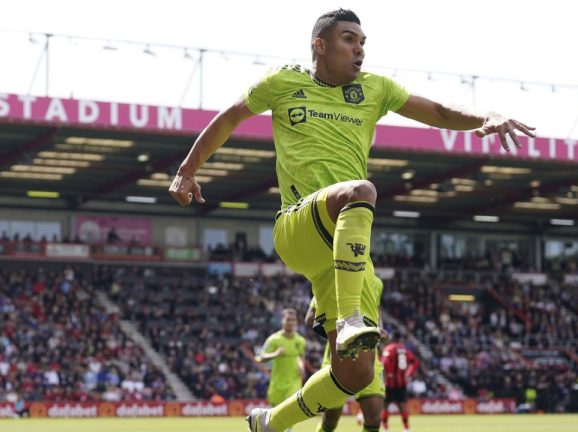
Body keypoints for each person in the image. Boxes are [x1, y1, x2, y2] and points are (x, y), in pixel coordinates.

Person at [169, 8, 534, 432]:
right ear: (319, 45)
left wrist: (482, 118)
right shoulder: (284, 83)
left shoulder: (374, 89)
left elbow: (435, 110)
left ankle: (270, 422)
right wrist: (187, 169)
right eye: (348, 39)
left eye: (363, 42)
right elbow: (230, 116)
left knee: (356, 374)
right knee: (360, 190)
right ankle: (347, 319)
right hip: (298, 224)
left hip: (343, 249)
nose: (359, 49)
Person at [304, 275, 386, 432]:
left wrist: (379, 329)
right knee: (331, 419)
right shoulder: (331, 278)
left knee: (374, 418)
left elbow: (374, 310)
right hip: (338, 355)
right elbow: (310, 318)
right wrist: (337, 327)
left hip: (369, 355)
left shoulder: (377, 282)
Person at [255, 308, 306, 429]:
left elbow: (300, 357)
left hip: (294, 382)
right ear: (282, 321)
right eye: (288, 319)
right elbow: (259, 358)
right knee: (275, 415)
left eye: (293, 320)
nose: (290, 322)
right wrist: (275, 354)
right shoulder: (274, 339)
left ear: (296, 322)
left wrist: (301, 365)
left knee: (290, 409)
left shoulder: (301, 341)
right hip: (277, 384)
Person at [380, 331, 419, 432]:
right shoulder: (404, 349)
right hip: (402, 382)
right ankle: (407, 429)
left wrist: (384, 378)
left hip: (389, 382)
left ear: (392, 339)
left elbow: (383, 364)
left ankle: (386, 428)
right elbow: (414, 362)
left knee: (385, 406)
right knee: (403, 407)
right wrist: (407, 374)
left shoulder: (389, 348)